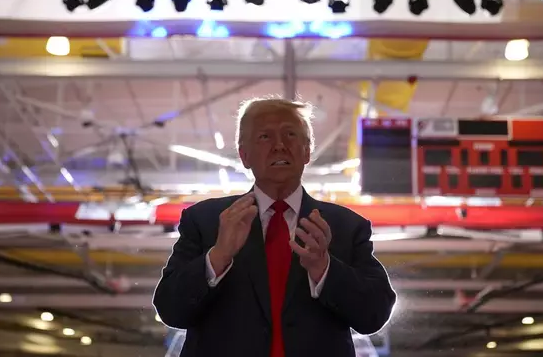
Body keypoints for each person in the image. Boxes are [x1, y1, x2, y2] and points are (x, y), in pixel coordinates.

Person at [153, 97, 396, 357]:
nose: (280, 146)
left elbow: (374, 315)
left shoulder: (346, 227)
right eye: (265, 137)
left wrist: (325, 269)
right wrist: (219, 255)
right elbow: (170, 310)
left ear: (307, 151)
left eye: (290, 134)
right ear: (244, 155)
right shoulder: (205, 220)